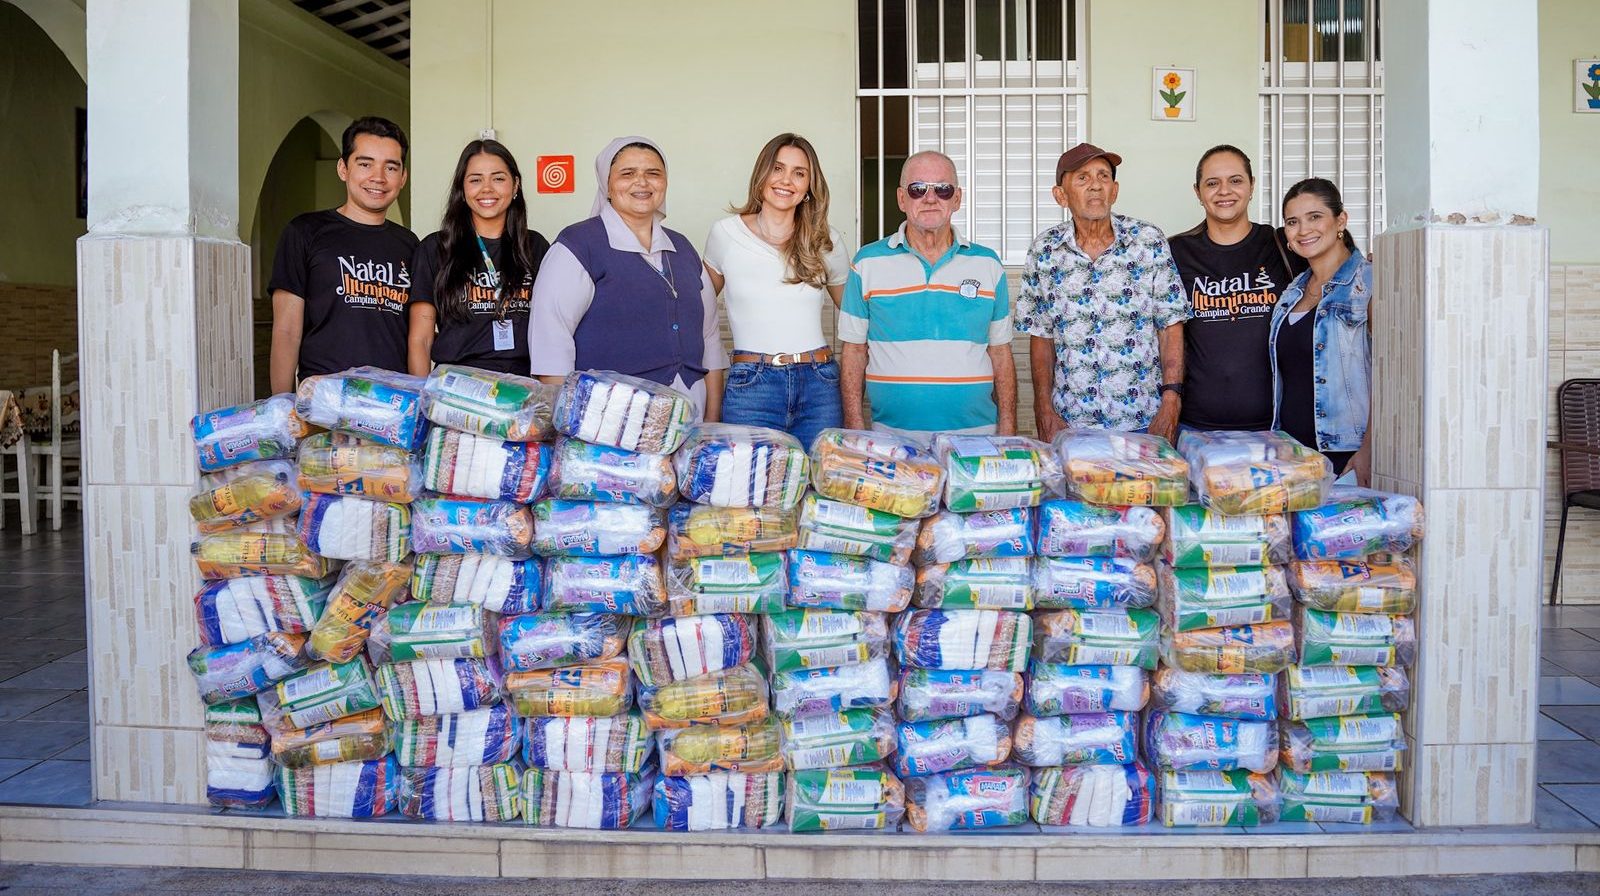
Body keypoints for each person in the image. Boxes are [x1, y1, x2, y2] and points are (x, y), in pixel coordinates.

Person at [527, 136, 727, 420]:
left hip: (689, 419)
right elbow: (551, 344)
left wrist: (712, 420)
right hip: (609, 422)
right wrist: (569, 425)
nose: (642, 183)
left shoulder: (683, 249)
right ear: (606, 184)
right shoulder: (578, 246)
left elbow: (710, 340)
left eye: (653, 173)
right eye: (627, 173)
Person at [1017, 143, 1188, 444]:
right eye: (1082, 178)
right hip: (1071, 421)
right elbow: (1041, 335)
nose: (1095, 185)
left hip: (1143, 419)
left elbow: (1170, 324)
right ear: (1061, 195)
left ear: (1115, 190)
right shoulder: (1044, 250)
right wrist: (1043, 406)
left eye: (1103, 176)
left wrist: (1172, 400)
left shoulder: (1148, 241)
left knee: (1143, 494)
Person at [838, 150, 1016, 437]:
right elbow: (854, 352)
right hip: (892, 440)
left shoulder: (988, 264)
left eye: (943, 190)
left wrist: (1008, 428)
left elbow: (1000, 352)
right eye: (918, 189)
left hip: (976, 438)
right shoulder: (866, 263)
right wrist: (855, 430)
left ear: (957, 199)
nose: (930, 198)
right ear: (901, 199)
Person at [704, 133, 850, 450]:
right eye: (778, 168)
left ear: (810, 185)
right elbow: (697, 316)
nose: (787, 181)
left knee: (817, 489)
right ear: (762, 174)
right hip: (751, 386)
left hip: (819, 385)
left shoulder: (828, 241)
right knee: (750, 489)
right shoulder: (725, 234)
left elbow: (855, 318)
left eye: (800, 173)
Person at [269, 116, 417, 393]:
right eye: (365, 164)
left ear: (403, 178)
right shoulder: (305, 232)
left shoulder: (410, 245)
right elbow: (286, 331)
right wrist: (282, 405)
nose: (378, 177)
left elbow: (416, 336)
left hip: (392, 404)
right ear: (343, 168)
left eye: (391, 167)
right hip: (324, 400)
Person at [1168, 145, 1306, 432]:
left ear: (1252, 185)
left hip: (1275, 427)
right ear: (1198, 192)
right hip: (1194, 428)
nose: (1224, 191)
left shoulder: (1283, 244)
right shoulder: (1176, 251)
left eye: (1236, 180)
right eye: (1212, 183)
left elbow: (1331, 275)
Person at [408, 140, 550, 377]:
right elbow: (420, 339)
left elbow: (552, 330)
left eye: (498, 178)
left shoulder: (534, 246)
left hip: (521, 388)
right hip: (456, 389)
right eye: (475, 179)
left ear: (515, 185)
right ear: (462, 190)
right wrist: (420, 400)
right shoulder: (436, 248)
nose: (487, 188)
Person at [1269, 177, 1372, 484]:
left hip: (1345, 455)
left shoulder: (1368, 283)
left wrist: (1371, 448)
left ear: (1340, 220)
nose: (1303, 230)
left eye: (1315, 217)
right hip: (1293, 456)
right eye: (1292, 222)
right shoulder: (1292, 292)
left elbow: (1391, 376)